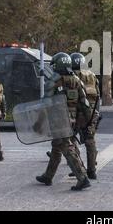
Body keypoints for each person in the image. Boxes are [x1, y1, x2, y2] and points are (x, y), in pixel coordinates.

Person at [36, 52, 91, 191]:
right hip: (72, 120)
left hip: (58, 119)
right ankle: (48, 176)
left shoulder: (53, 81)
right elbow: (84, 103)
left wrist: (38, 123)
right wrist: (85, 121)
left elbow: (45, 105)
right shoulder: (76, 80)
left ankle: (82, 178)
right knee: (57, 147)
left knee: (67, 147)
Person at [70, 52, 100, 180]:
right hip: (92, 113)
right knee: (90, 141)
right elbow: (98, 96)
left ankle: (79, 167)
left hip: (78, 113)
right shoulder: (92, 76)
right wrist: (96, 113)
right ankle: (92, 170)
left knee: (69, 139)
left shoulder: (73, 76)